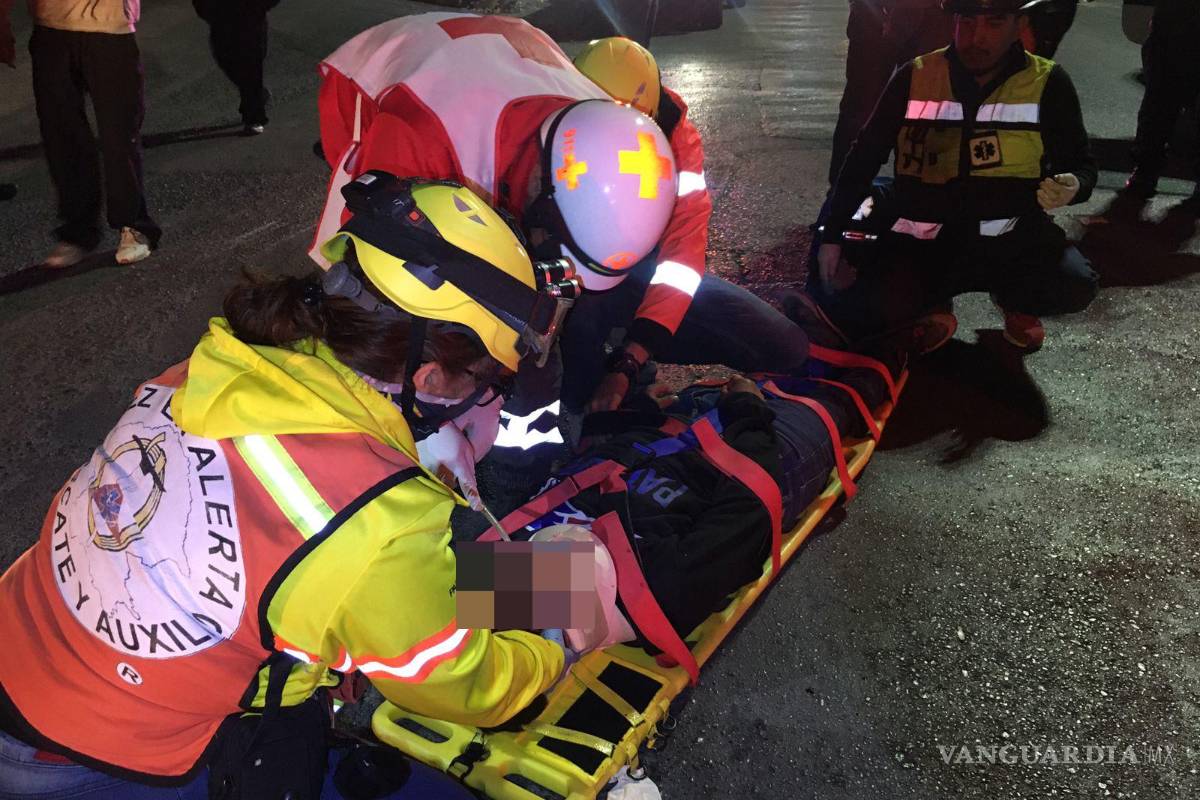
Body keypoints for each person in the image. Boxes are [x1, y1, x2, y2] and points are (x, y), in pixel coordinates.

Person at [0, 178, 571, 798]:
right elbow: (464, 681)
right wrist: (564, 638)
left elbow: (313, 577)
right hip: (109, 757)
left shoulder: (219, 367)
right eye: (483, 384)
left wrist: (538, 587)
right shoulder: (377, 519)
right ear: (430, 376)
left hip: (21, 644)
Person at [312, 13, 812, 441]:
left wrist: (630, 362)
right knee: (408, 306)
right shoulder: (422, 144)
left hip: (507, 102)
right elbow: (358, 282)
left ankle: (576, 375)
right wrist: (435, 420)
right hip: (389, 84)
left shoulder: (610, 135)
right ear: (539, 199)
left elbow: (675, 264)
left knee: (784, 348)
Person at [500, 309, 900, 648]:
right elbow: (752, 507)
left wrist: (634, 416)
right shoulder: (648, 591)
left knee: (774, 370)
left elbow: (584, 464)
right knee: (838, 396)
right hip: (756, 460)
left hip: (666, 435)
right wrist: (745, 410)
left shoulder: (496, 564)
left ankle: (830, 330)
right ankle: (890, 337)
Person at [817, 0, 1099, 352]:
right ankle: (929, 305)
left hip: (1005, 243)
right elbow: (863, 158)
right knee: (837, 277)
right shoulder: (915, 74)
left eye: (994, 23)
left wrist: (1074, 185)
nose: (976, 37)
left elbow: (1082, 164)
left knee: (1073, 282)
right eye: (966, 21)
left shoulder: (1047, 82)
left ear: (1020, 24)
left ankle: (1016, 301)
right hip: (923, 244)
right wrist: (832, 232)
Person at [27, 0, 160, 267]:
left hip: (110, 28)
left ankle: (134, 226)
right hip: (50, 26)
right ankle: (79, 231)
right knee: (61, 135)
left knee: (119, 134)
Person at [828, 0, 956, 187]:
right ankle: (844, 193)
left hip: (926, 13)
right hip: (882, 12)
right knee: (862, 107)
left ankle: (922, 190)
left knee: (930, 105)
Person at [1124, 0, 1200, 201]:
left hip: (1171, 29)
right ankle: (1145, 170)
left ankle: (1145, 172)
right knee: (1157, 106)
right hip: (1169, 31)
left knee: (1157, 106)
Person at [192, 0, 280, 135]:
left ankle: (254, 117)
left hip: (251, 22)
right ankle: (256, 96)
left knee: (251, 70)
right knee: (228, 63)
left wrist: (259, 8)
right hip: (222, 22)